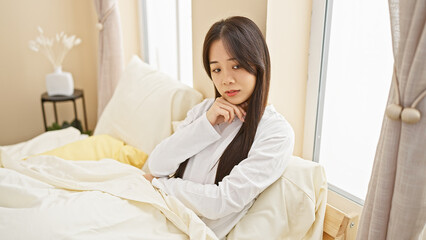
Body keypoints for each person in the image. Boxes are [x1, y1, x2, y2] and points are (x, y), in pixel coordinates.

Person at [144, 16, 295, 239]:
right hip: (157, 212)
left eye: (236, 66)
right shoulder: (204, 111)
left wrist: (160, 185)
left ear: (258, 65)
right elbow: (156, 164)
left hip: (184, 230)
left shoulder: (276, 133)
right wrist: (206, 124)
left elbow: (221, 202)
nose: (226, 80)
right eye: (217, 70)